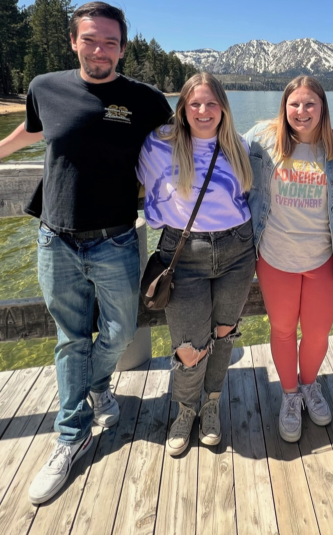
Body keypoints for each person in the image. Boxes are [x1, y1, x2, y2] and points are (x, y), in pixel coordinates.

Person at [0, 1, 172, 505]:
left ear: (123, 46)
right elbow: (31, 132)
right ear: (73, 41)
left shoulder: (143, 99)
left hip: (117, 238)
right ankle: (70, 438)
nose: (101, 50)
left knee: (119, 329)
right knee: (71, 339)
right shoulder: (44, 87)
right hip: (56, 238)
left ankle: (98, 385)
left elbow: (178, 143)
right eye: (91, 40)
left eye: (111, 42)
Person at [136, 72, 256, 457]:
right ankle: (185, 409)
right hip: (183, 253)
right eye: (195, 104)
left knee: (224, 333)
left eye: (211, 103)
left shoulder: (238, 144)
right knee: (189, 345)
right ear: (183, 109)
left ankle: (211, 404)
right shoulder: (159, 145)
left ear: (223, 108)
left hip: (238, 249)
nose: (203, 111)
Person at [244, 76, 333, 442]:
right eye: (295, 104)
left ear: (322, 108)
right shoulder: (262, 138)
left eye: (310, 104)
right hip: (275, 256)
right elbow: (219, 148)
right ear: (284, 107)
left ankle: (309, 386)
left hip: (321, 257)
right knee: (283, 329)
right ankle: (289, 395)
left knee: (318, 333)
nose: (301, 112)